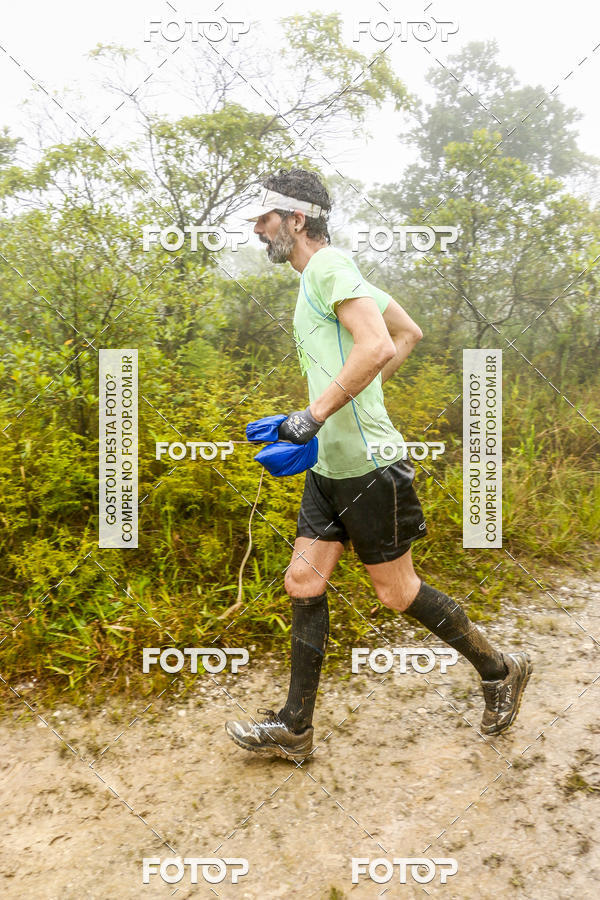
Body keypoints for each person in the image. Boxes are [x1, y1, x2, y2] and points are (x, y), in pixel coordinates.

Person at [225, 168, 532, 761]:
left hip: (370, 467)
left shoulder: (329, 268)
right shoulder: (327, 274)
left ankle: (499, 668)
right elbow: (407, 330)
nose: (257, 227)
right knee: (302, 581)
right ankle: (295, 728)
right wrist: (339, 406)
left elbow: (380, 345)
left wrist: (314, 416)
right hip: (328, 467)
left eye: (265, 216)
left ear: (298, 219)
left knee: (397, 593)